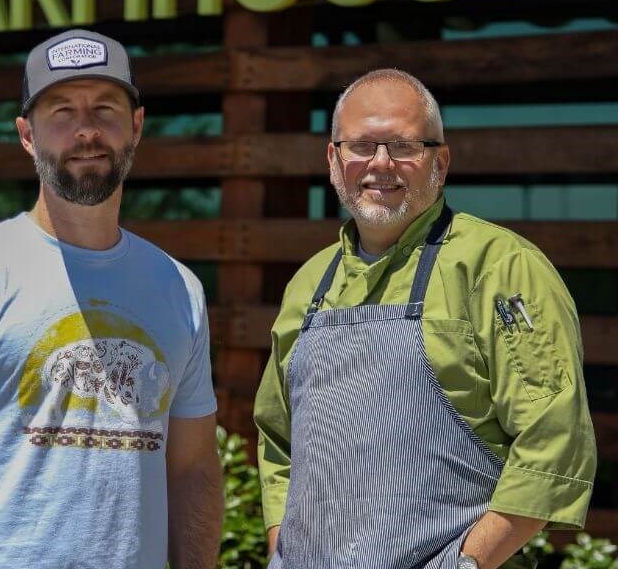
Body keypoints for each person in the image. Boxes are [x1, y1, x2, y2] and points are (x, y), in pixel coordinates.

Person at [0, 29, 224, 569]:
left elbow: (193, 467)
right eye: (61, 111)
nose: (86, 130)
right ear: (26, 134)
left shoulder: (179, 288)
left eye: (105, 108)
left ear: (136, 126)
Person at [254, 68, 597, 569]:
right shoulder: (308, 283)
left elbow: (554, 442)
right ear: (333, 159)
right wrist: (282, 549)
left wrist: (467, 563)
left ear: (441, 161)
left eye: (403, 146)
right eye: (362, 146)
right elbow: (278, 443)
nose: (381, 164)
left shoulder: (499, 267)